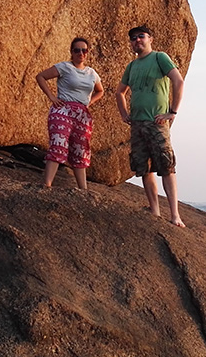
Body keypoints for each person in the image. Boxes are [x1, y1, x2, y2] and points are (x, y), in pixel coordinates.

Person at [115, 25, 186, 227]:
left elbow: (178, 81)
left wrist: (172, 112)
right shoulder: (131, 66)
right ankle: (154, 210)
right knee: (143, 168)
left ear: (150, 39)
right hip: (137, 124)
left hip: (157, 122)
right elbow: (120, 92)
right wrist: (124, 114)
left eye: (141, 36)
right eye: (133, 38)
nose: (137, 40)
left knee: (166, 166)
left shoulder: (159, 58)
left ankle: (174, 215)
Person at [36, 37, 105, 188]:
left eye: (84, 50)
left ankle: (83, 190)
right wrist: (52, 97)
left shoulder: (91, 73)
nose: (81, 53)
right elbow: (40, 76)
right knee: (58, 144)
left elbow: (100, 91)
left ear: (87, 53)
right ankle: (47, 184)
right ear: (71, 52)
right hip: (63, 109)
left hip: (82, 114)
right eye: (77, 50)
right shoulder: (64, 67)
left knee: (81, 149)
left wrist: (89, 102)